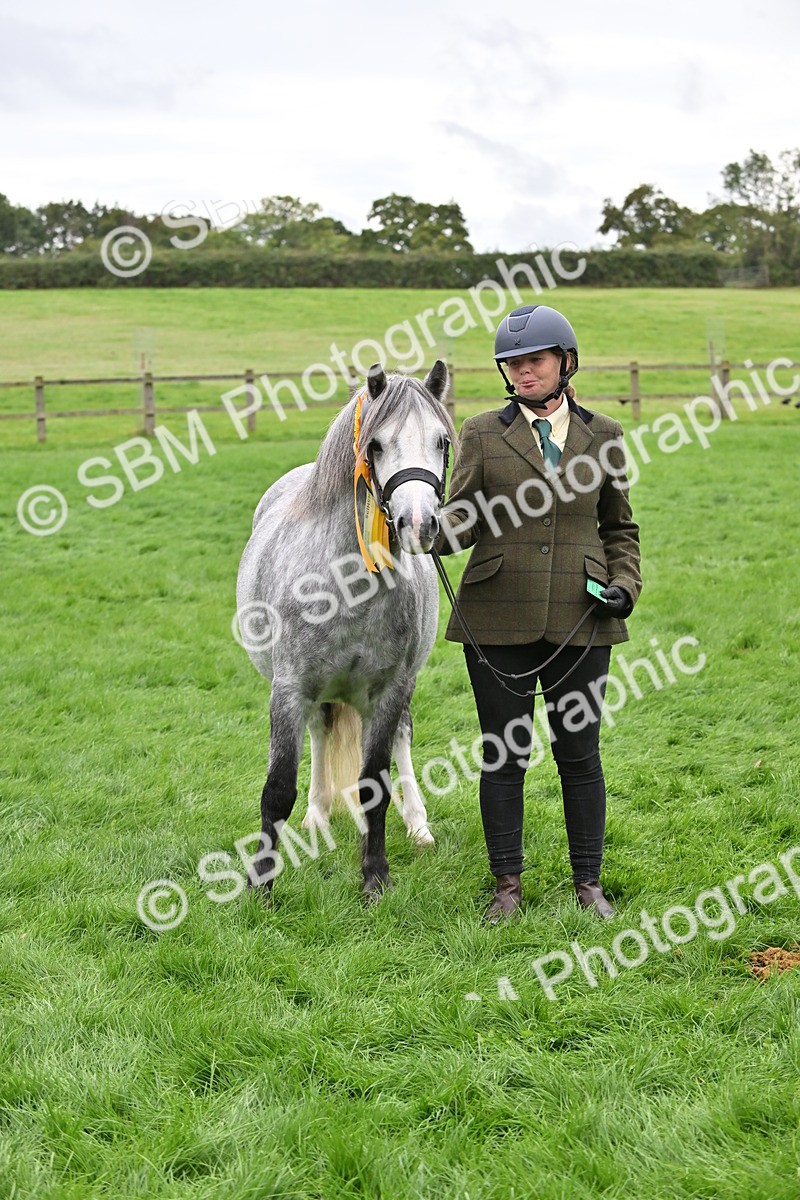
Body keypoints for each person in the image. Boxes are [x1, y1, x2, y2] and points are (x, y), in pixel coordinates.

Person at [434, 304, 641, 923]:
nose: (523, 373)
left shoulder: (603, 434)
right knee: (504, 753)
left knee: (581, 753)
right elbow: (462, 518)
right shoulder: (478, 432)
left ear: (565, 363)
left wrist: (625, 582)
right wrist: (426, 529)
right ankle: (506, 887)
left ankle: (589, 884)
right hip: (497, 619)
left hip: (584, 616)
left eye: (535, 362)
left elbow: (619, 526)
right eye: (513, 365)